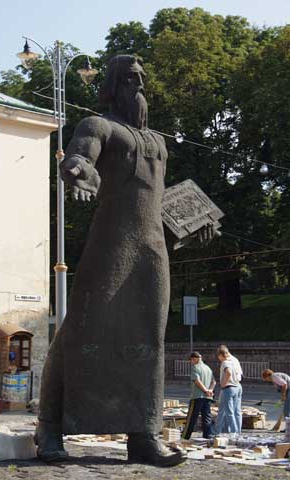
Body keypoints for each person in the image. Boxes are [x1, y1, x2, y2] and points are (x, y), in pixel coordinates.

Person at [36, 55, 191, 467]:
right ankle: (49, 427)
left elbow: (153, 199)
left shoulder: (159, 141)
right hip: (111, 244)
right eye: (129, 79)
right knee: (80, 329)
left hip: (152, 250)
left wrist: (190, 225)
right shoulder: (97, 125)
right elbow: (81, 156)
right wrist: (77, 169)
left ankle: (143, 435)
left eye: (142, 78)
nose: (137, 86)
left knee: (151, 338)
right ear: (113, 84)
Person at [182, 352, 216, 439]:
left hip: (197, 396)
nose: (191, 362)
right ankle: (207, 436)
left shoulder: (195, 367)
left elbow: (197, 381)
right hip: (208, 397)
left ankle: (185, 437)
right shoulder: (208, 368)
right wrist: (210, 390)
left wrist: (205, 390)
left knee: (191, 418)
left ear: (195, 359)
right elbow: (214, 382)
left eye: (191, 360)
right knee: (207, 417)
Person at [215, 345, 243, 434]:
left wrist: (223, 384)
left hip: (229, 387)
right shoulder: (235, 360)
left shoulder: (225, 362)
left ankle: (233, 433)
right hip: (238, 386)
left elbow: (228, 372)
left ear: (220, 355)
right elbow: (240, 374)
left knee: (228, 412)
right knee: (237, 412)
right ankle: (238, 431)